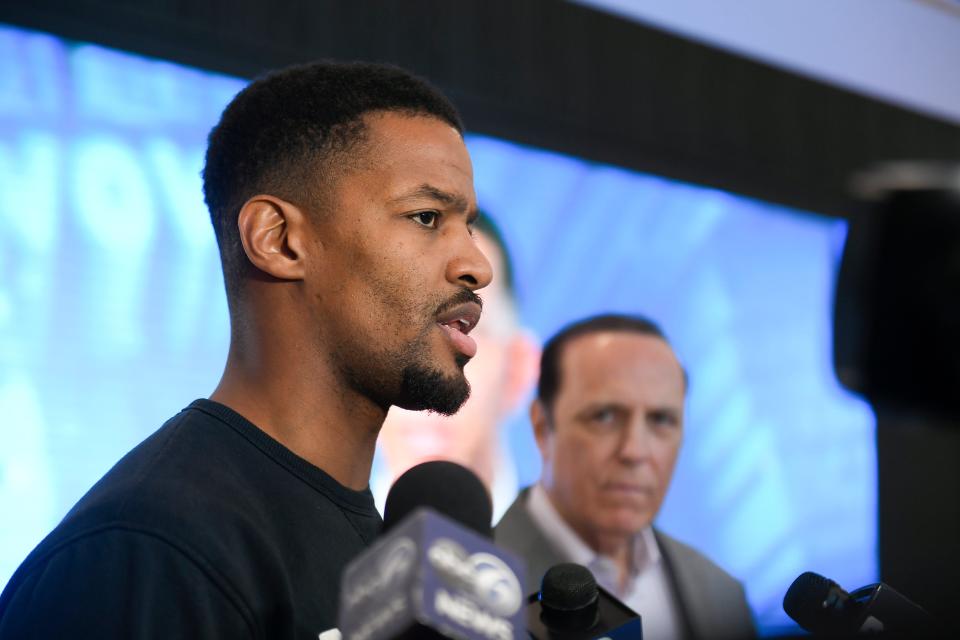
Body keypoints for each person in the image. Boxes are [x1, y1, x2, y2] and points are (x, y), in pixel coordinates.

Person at [0, 61, 492, 638]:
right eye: (427, 217)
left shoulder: (381, 551)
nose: (476, 267)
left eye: (469, 226)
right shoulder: (152, 550)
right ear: (278, 239)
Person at [495, 314, 756, 640]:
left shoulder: (722, 594)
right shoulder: (471, 582)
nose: (634, 451)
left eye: (661, 420)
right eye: (603, 416)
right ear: (542, 427)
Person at [374, 212, 539, 520]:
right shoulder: (301, 548)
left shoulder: (576, 560)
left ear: (517, 370)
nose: (425, 375)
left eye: (463, 327)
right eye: (400, 331)